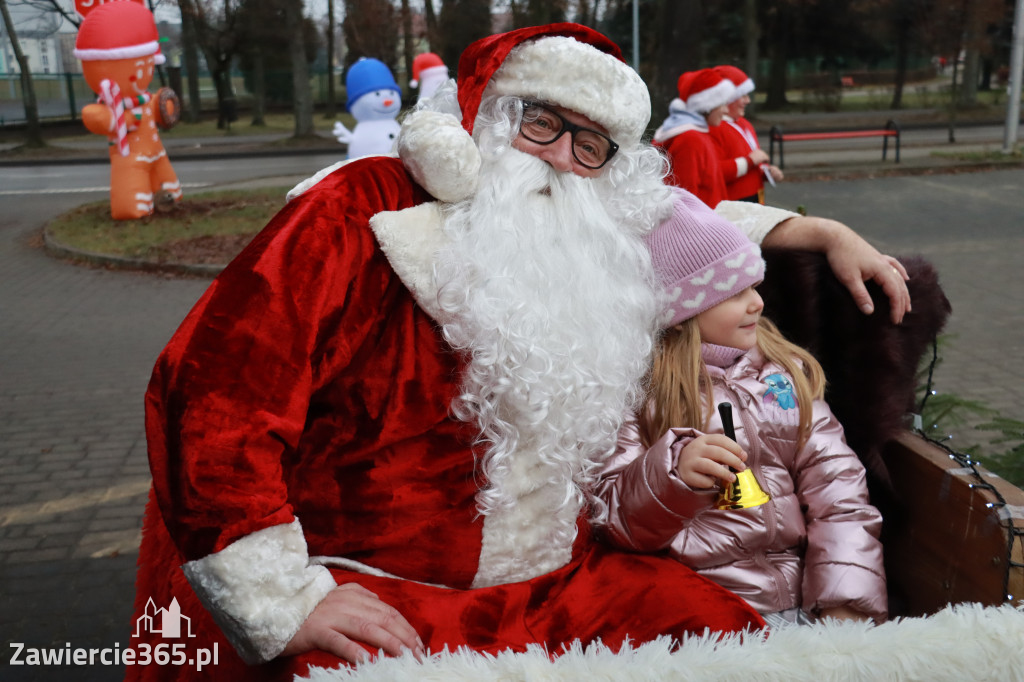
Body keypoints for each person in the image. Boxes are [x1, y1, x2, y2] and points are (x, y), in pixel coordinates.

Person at [129, 23, 908, 681]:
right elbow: (214, 391)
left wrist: (821, 232)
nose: (563, 159)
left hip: (561, 582)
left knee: (738, 648)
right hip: (383, 583)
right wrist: (287, 598)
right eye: (542, 125)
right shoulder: (362, 208)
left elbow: (694, 229)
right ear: (484, 124)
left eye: (593, 144)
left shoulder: (596, 226)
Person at [596, 188, 888, 627]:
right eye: (734, 293)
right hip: (701, 611)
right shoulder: (635, 393)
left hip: (808, 597)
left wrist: (845, 598)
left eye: (754, 284)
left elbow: (840, 491)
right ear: (680, 310)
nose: (758, 302)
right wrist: (672, 475)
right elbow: (613, 518)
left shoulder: (783, 372)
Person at [653, 68, 735, 207]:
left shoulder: (697, 134)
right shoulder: (691, 140)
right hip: (702, 226)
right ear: (708, 106)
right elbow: (684, 201)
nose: (726, 110)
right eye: (722, 104)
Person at [709, 65, 783, 204]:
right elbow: (714, 172)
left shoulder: (744, 124)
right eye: (743, 95)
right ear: (728, 98)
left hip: (754, 198)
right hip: (733, 203)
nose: (748, 100)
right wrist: (750, 161)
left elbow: (750, 161)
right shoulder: (713, 128)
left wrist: (766, 172)